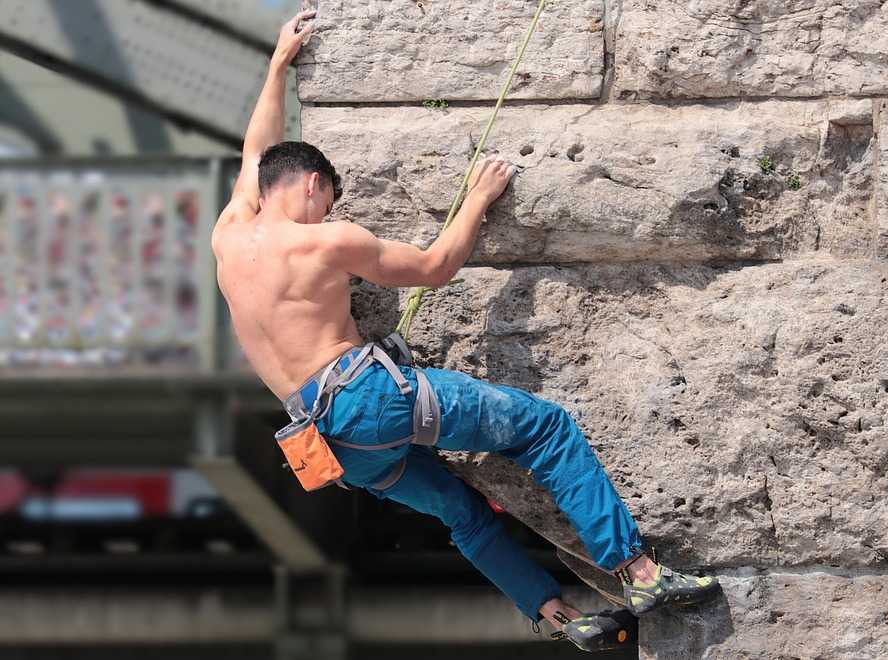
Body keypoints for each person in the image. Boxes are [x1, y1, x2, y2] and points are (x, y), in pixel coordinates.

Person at [211, 10, 719, 651]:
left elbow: (256, 148)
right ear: (315, 186)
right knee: (545, 428)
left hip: (324, 443)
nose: (328, 213)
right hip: (367, 403)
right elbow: (435, 267)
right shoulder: (326, 242)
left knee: (461, 513)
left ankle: (558, 617)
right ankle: (639, 573)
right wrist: (478, 196)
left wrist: (279, 62)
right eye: (329, 200)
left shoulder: (228, 234)